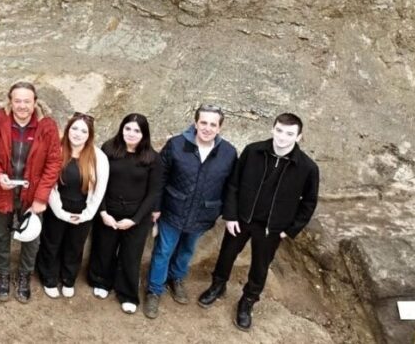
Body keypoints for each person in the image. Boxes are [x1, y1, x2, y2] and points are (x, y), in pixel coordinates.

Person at [198, 112, 320, 331]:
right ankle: (218, 286)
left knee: (260, 266)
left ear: (299, 137)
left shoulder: (308, 168)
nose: (283, 137)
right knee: (226, 254)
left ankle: (248, 301)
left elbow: (309, 202)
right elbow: (234, 184)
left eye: (290, 133)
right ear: (273, 129)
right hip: (242, 220)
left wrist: (288, 230)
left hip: (271, 229)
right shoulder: (253, 151)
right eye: (279, 130)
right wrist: (231, 215)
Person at [143, 104, 237, 319]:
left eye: (213, 124)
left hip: (203, 214)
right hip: (173, 210)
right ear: (195, 123)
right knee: (163, 251)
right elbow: (160, 178)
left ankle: (175, 278)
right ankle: (154, 290)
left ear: (220, 128)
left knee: (186, 250)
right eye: (203, 122)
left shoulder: (228, 153)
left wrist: (225, 211)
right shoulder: (176, 145)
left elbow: (232, 186)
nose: (207, 128)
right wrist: (156, 207)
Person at [0, 81, 61, 303]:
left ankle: (24, 274)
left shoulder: (47, 126)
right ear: (10, 101)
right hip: (3, 190)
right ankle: (3, 273)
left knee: (32, 237)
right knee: (1, 234)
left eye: (27, 101)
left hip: (33, 193)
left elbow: (54, 162)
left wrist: (41, 197)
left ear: (35, 102)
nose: (22, 106)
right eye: (17, 101)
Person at [87, 113, 162, 314]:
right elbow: (97, 182)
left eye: (137, 130)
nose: (131, 133)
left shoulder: (152, 158)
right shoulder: (108, 150)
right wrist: (102, 212)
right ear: (121, 129)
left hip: (137, 215)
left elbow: (154, 191)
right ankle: (101, 282)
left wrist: (135, 219)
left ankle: (127, 293)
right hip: (108, 211)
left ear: (144, 134)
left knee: (131, 255)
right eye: (127, 128)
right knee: (104, 249)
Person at [36, 113, 109, 299]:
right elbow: (49, 183)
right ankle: (49, 277)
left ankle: (68, 279)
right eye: (74, 128)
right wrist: (60, 212)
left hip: (83, 209)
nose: (78, 133)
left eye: (83, 131)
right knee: (52, 243)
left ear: (90, 134)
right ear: (68, 129)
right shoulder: (57, 151)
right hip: (57, 206)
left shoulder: (98, 157)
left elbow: (100, 189)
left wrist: (87, 214)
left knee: (75, 246)